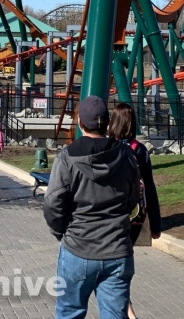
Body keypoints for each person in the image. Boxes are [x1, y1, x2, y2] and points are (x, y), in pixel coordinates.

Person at [43, 95, 140, 319]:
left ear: (79, 123)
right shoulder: (126, 155)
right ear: (108, 123)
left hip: (78, 247)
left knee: (70, 313)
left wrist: (61, 231)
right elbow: (134, 196)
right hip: (117, 249)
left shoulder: (67, 158)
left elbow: (52, 203)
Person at [107, 102, 162, 319]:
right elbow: (149, 187)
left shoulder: (107, 147)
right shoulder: (139, 150)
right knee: (124, 261)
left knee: (112, 264)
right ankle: (126, 308)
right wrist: (156, 224)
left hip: (110, 215)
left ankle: (125, 308)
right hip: (134, 214)